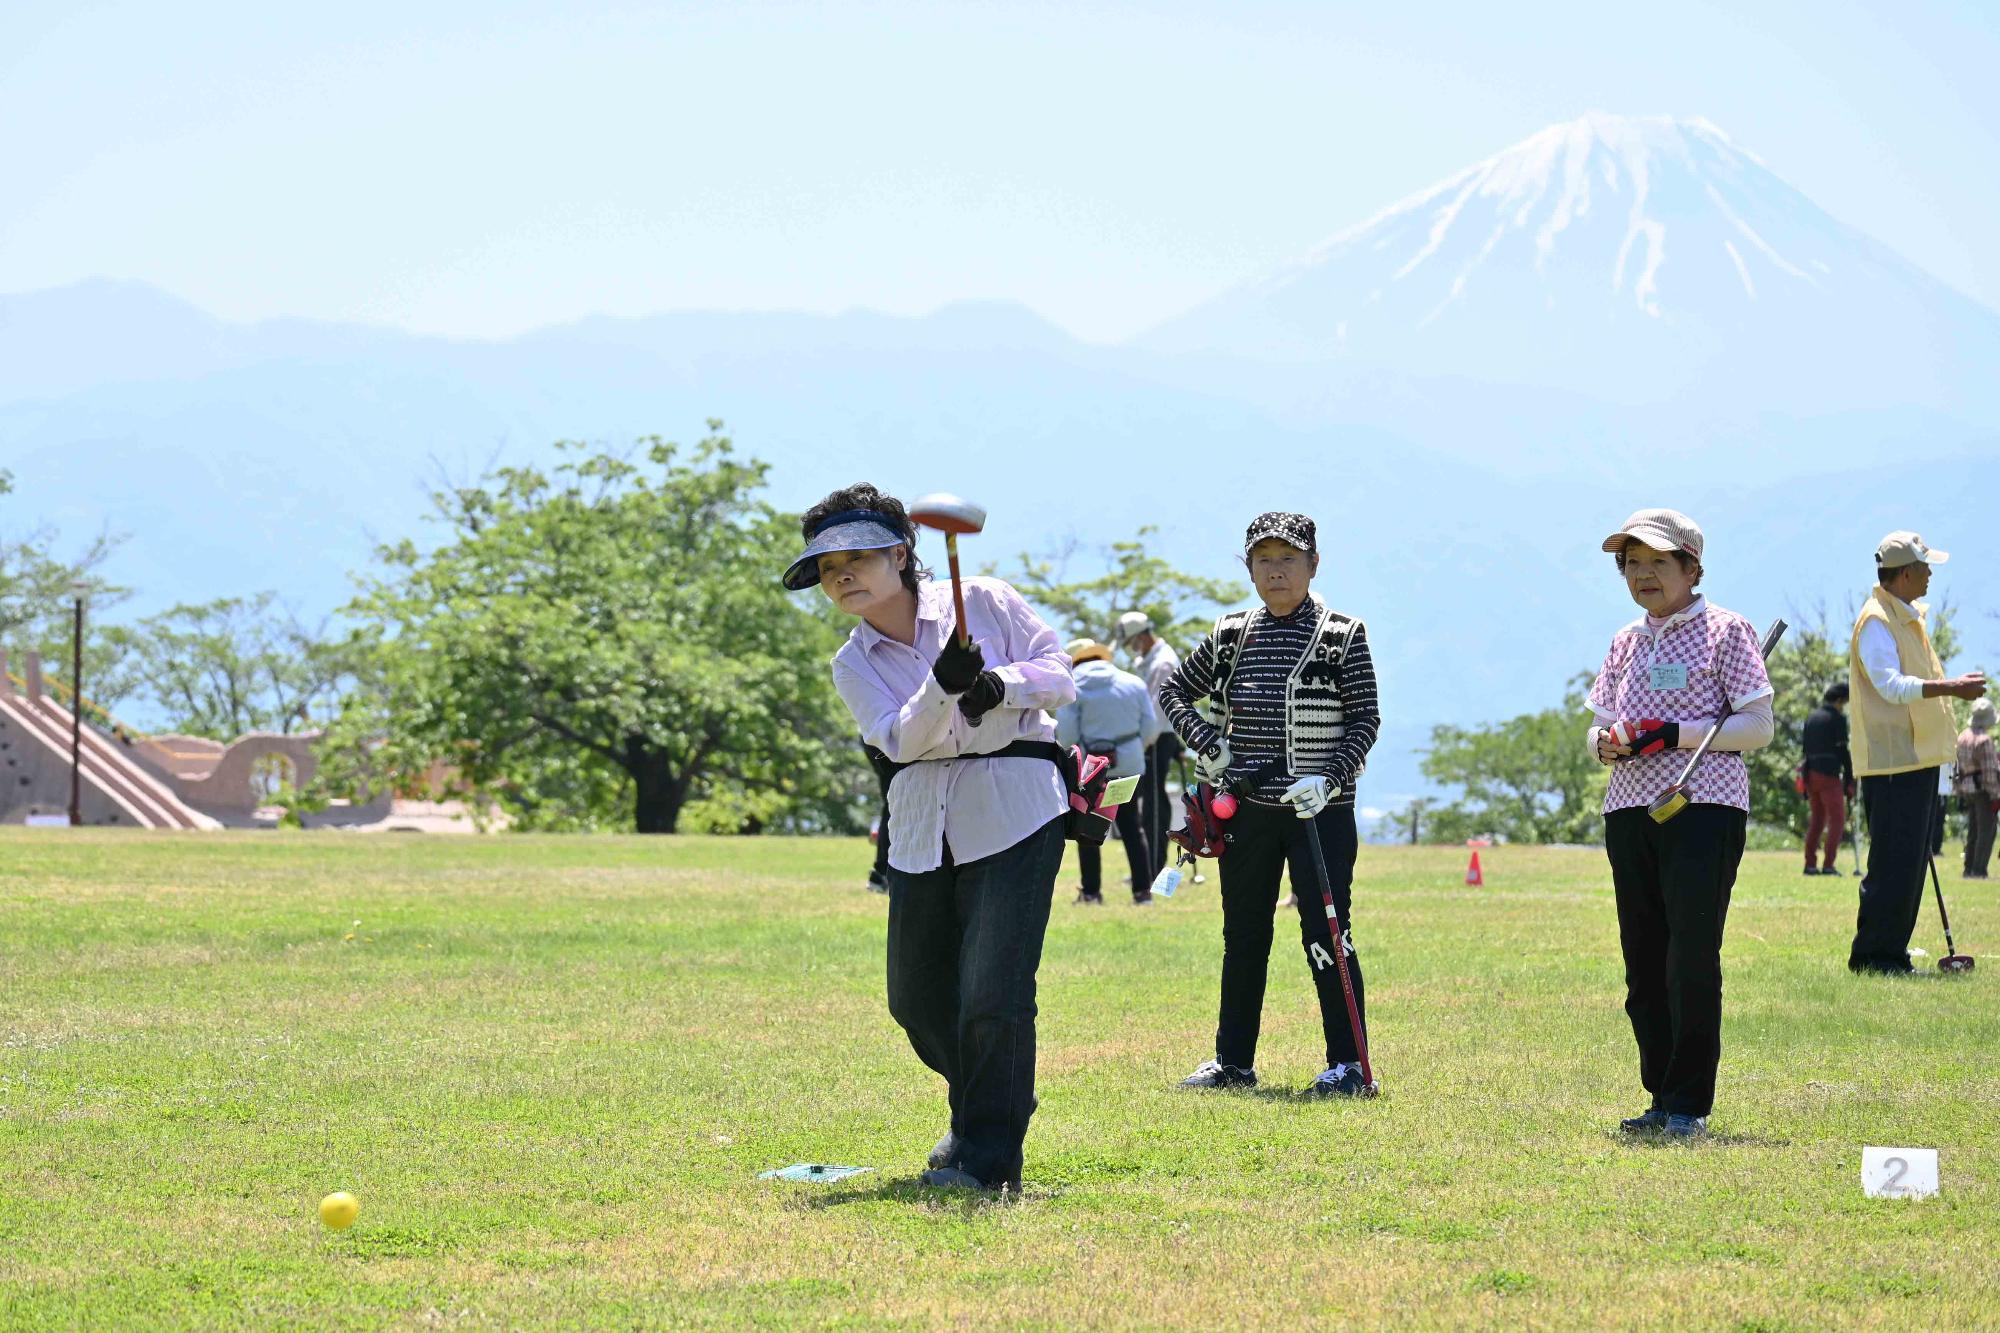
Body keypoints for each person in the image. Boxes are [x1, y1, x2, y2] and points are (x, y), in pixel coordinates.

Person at [784, 482, 1075, 1193]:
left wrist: (998, 685)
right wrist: (942, 687)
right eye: (827, 568)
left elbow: (1060, 674)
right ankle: (986, 1100)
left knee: (993, 992)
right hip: (919, 823)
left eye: (857, 556)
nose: (842, 575)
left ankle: (987, 1161)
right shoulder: (852, 663)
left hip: (1018, 808)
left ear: (903, 552)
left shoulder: (986, 599)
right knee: (914, 996)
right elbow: (899, 741)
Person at [1156, 512, 1381, 1098]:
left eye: (1288, 559)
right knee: (1244, 934)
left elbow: (1364, 721)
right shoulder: (1231, 632)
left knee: (1328, 935)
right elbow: (1174, 690)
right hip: (1247, 811)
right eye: (1264, 560)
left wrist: (1330, 779)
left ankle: (1349, 1065)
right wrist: (1209, 744)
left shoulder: (1343, 634)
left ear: (1313, 564)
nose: (1276, 571)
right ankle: (1233, 1060)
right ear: (1249, 568)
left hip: (1320, 813)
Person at [1587, 509, 1774, 1140]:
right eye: (1631, 565)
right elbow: (1601, 721)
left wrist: (1673, 734)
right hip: (1629, 809)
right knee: (1642, 961)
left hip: (1705, 808)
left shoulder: (1728, 632)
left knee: (1689, 957)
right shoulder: (1624, 641)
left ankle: (1689, 1103)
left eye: (1657, 563)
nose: (1643, 576)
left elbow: (1757, 726)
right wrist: (1608, 743)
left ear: (1692, 568)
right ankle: (1660, 1096)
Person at [1846, 532, 1988, 974]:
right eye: (1926, 568)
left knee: (1909, 863)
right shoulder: (1876, 620)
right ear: (1906, 573)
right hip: (1893, 761)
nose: (1930, 575)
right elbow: (1889, 685)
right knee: (1892, 862)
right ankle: (1873, 956)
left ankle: (1892, 952)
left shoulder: (1904, 616)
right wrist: (1951, 688)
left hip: (1918, 758)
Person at [1054, 638, 1160, 905]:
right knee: (1132, 826)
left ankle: (1091, 892)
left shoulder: (1072, 686)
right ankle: (1142, 891)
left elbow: (1066, 735)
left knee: (1087, 827)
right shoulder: (1133, 683)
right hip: (1128, 767)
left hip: (1092, 770)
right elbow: (1150, 729)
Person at [1115, 611, 1182, 885]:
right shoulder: (1150, 661)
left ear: (1143, 636)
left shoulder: (1163, 664)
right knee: (1147, 804)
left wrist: (1139, 746)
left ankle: (1155, 869)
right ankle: (1147, 868)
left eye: (1133, 642)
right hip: (1151, 741)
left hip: (1155, 741)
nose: (1133, 648)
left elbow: (1156, 714)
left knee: (1154, 805)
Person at [1800, 683, 1854, 877]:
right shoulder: (1838, 719)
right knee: (1837, 820)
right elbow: (1842, 751)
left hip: (1810, 774)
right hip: (1829, 774)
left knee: (1817, 820)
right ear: (1840, 700)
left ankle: (1810, 864)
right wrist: (1850, 778)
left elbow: (1804, 749)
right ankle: (1829, 864)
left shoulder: (1811, 718)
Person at [1953, 698, 1999, 879]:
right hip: (1982, 791)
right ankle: (1979, 870)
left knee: (1973, 830)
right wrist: (1996, 795)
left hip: (1967, 789)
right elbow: (1989, 773)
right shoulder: (1984, 741)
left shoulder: (1962, 736)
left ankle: (1968, 867)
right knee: (1986, 831)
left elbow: (1957, 767)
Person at [861, 737, 893, 893]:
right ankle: (883, 873)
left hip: (875, 734)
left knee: (893, 803)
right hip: (887, 734)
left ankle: (881, 873)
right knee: (895, 804)